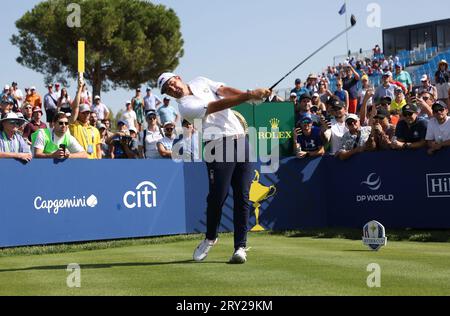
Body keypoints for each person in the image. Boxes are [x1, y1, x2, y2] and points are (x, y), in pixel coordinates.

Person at [157, 72, 270, 264]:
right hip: (217, 145)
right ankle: (210, 237)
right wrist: (250, 94)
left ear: (178, 77)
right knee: (218, 196)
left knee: (243, 196)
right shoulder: (185, 107)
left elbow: (224, 91)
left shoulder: (200, 81)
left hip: (241, 139)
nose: (172, 88)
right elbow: (216, 105)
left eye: (171, 83)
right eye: (168, 90)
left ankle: (240, 247)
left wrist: (250, 96)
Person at [69, 75, 102, 159]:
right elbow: (75, 107)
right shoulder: (74, 125)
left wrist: (100, 163)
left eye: (88, 113)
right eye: (84, 113)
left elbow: (98, 150)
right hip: (78, 162)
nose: (87, 115)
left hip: (93, 164)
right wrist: (80, 89)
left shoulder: (95, 130)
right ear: (79, 113)